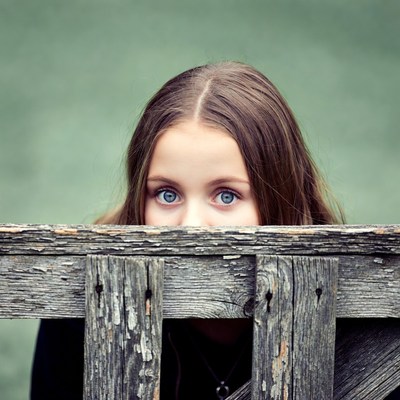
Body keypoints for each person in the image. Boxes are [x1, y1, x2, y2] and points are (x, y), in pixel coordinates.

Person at [31, 61, 344, 400]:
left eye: (227, 195)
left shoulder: (347, 310)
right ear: (140, 196)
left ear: (279, 198)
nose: (191, 225)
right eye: (167, 194)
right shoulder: (81, 303)